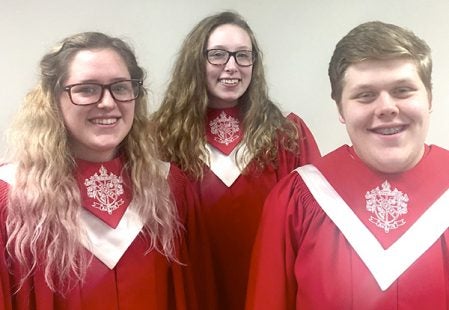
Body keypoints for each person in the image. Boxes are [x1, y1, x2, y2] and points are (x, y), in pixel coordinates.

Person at [245, 21, 449, 309]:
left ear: (429, 98)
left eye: (403, 90)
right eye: (365, 95)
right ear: (341, 108)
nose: (387, 107)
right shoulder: (296, 200)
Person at [0, 32, 204, 309]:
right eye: (87, 88)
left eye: (120, 87)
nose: (107, 102)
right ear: (53, 99)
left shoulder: (168, 187)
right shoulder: (11, 197)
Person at [151, 11, 321, 310]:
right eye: (217, 55)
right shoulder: (160, 137)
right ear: (196, 62)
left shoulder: (287, 136)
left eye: (243, 56)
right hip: (192, 289)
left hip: (270, 290)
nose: (232, 66)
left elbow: (314, 234)